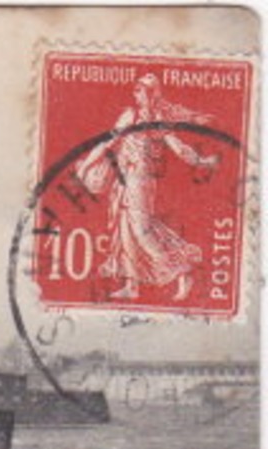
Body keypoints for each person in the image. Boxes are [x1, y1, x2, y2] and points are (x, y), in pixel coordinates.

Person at [73, 73, 220, 302]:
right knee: (125, 230)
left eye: (141, 90)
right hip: (124, 178)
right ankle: (132, 286)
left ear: (151, 94)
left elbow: (178, 148)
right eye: (135, 90)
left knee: (142, 231)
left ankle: (183, 270)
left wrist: (201, 162)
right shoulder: (129, 116)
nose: (136, 94)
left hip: (142, 180)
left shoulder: (158, 120)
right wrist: (85, 167)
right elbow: (106, 143)